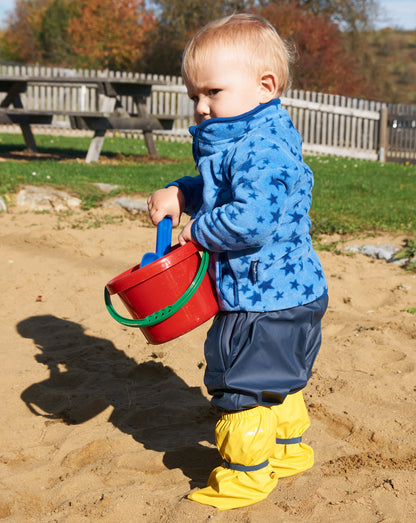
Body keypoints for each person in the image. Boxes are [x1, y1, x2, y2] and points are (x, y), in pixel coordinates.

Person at [147, 13, 328, 511]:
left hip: (260, 299)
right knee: (281, 378)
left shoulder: (262, 146)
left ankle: (247, 476)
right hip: (293, 293)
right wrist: (181, 192)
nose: (201, 107)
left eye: (213, 93)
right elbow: (220, 187)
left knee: (239, 385)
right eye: (194, 97)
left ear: (264, 85)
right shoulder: (249, 135)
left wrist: (197, 231)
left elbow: (250, 219)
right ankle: (288, 452)